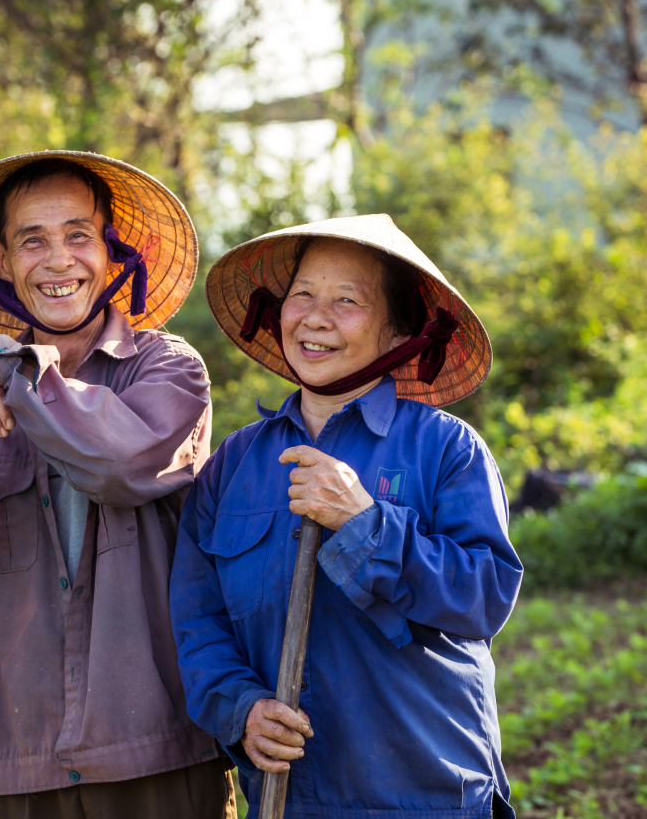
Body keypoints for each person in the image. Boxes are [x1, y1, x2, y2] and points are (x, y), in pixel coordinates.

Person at [0, 152, 235, 818]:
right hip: (28, 756)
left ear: (111, 252)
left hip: (157, 748)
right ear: (3, 258)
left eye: (78, 236)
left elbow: (120, 465)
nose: (58, 260)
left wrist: (0, 363)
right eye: (32, 240)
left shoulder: (167, 369)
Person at [170, 215, 522, 818]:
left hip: (425, 790)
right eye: (302, 294)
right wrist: (242, 710)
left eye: (347, 301)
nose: (315, 317)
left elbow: (484, 598)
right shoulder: (236, 463)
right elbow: (197, 619)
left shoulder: (446, 449)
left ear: (396, 334)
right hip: (289, 798)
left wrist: (366, 523)